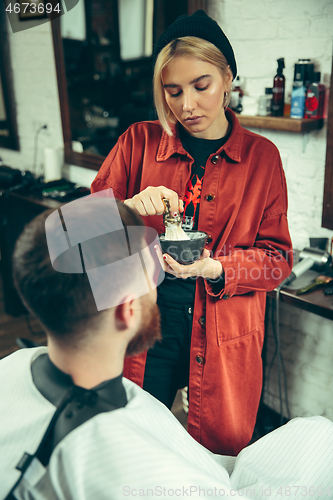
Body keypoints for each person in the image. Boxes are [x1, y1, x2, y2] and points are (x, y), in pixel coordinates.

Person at [0, 192, 332, 500]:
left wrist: (125, 210)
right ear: (127, 310)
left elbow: (62, 238)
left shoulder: (15, 365)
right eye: (153, 277)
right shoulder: (138, 467)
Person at [90, 10, 293, 455]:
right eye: (173, 91)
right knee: (133, 441)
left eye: (201, 86)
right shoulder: (136, 142)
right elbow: (83, 240)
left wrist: (216, 266)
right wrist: (124, 208)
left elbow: (277, 261)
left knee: (213, 455)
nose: (186, 106)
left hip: (225, 334)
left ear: (228, 78)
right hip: (146, 322)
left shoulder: (263, 159)